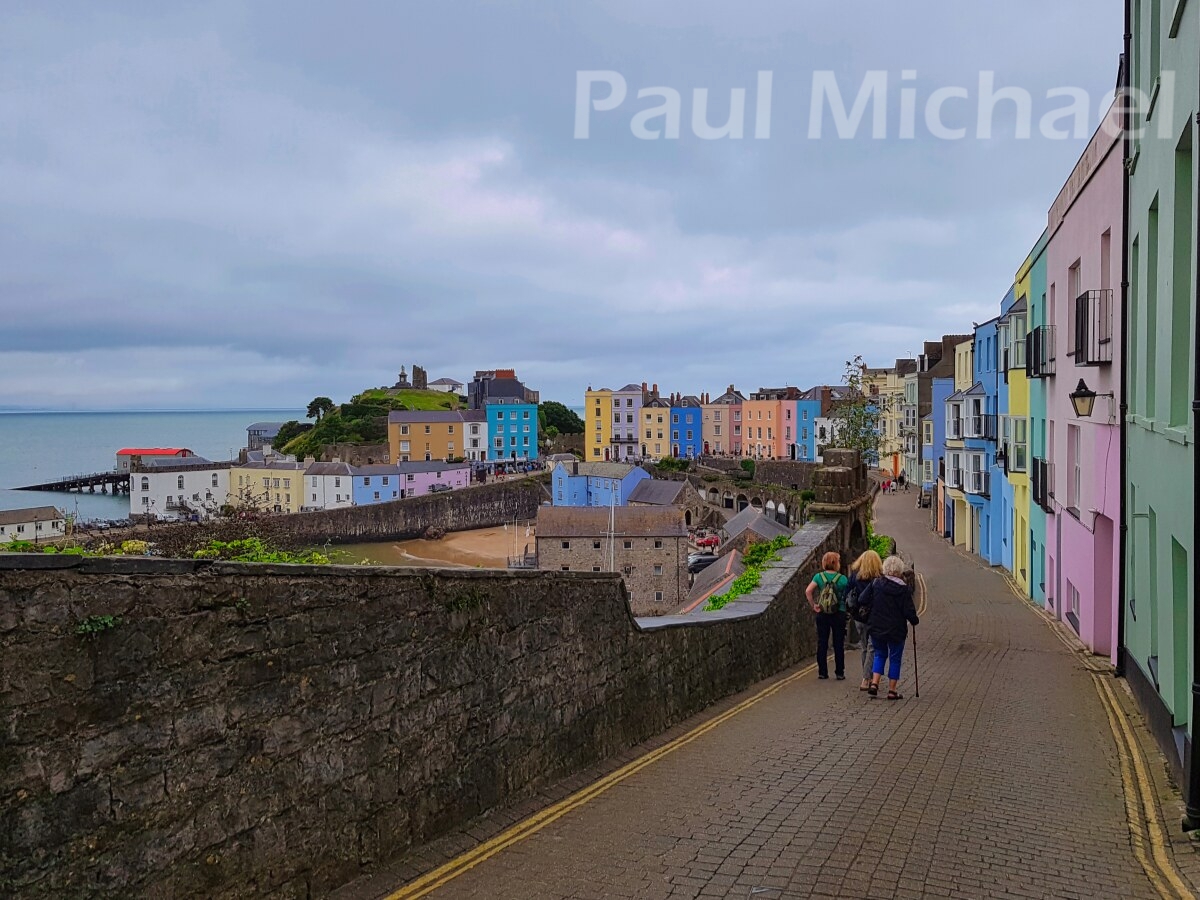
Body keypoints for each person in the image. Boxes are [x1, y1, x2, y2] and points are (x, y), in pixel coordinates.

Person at [862, 555, 920, 699]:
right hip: (896, 630)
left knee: (879, 654)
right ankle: (892, 690)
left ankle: (874, 683)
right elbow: (909, 611)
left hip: (877, 627)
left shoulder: (876, 584)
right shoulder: (903, 589)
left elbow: (862, 599)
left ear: (885, 569)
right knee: (895, 658)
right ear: (900, 571)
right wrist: (914, 620)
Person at [806, 551, 849, 680]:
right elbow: (848, 595)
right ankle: (839, 672)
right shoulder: (842, 579)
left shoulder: (819, 577)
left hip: (822, 613)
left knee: (822, 642)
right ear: (836, 563)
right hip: (839, 612)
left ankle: (822, 672)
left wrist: (814, 605)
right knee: (838, 643)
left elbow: (808, 591)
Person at [847, 549, 884, 691]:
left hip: (858, 617)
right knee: (872, 647)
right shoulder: (879, 577)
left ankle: (866, 676)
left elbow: (847, 593)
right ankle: (866, 679)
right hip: (873, 617)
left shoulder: (854, 576)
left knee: (864, 647)